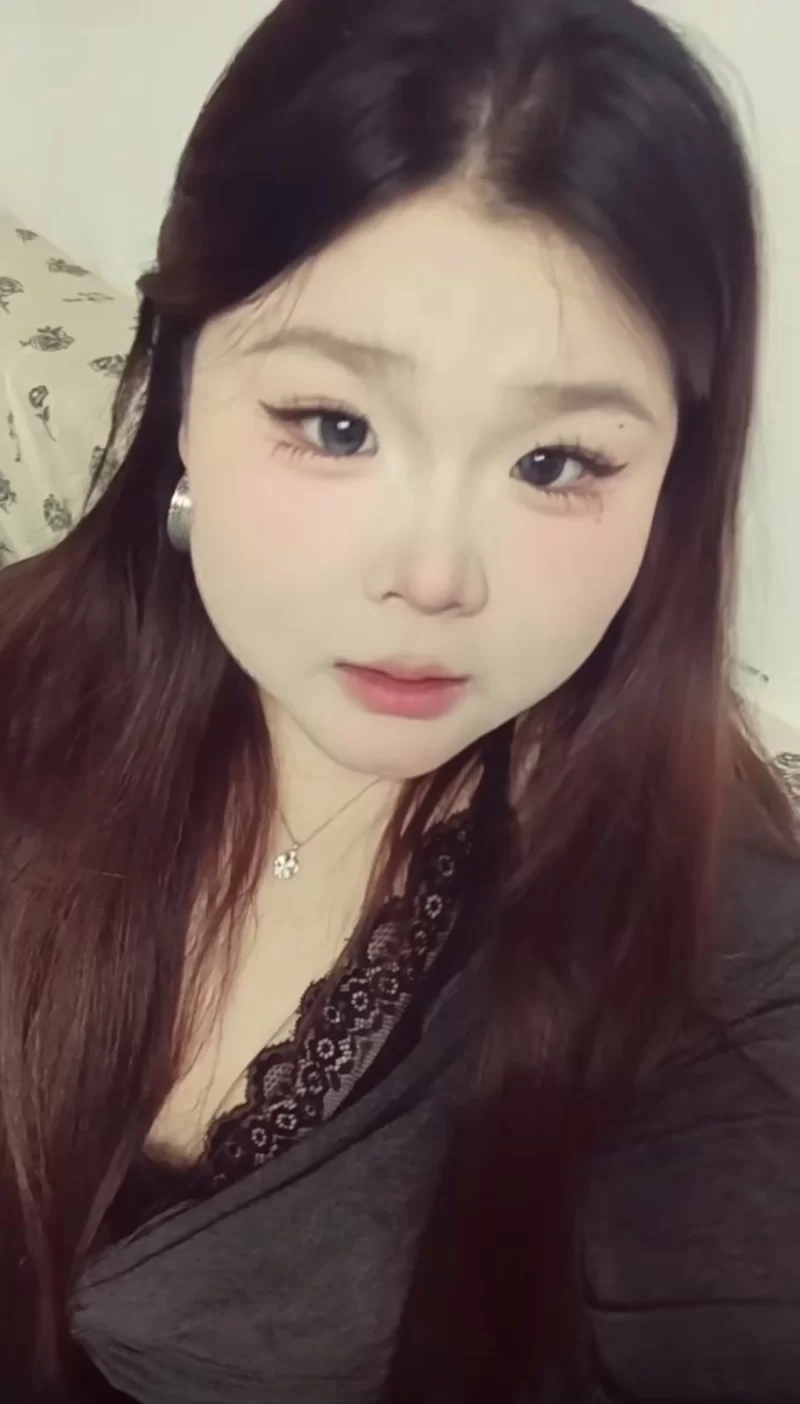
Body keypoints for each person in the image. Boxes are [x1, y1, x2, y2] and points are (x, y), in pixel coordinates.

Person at [1, 0, 798, 1399]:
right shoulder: (30, 673)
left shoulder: (718, 973)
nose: (432, 577)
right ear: (182, 388)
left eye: (556, 463)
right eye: (337, 426)